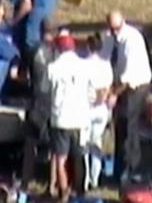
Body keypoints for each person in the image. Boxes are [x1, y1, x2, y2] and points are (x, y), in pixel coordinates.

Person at [103, 11, 152, 182]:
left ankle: (132, 168)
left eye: (117, 28)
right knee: (118, 126)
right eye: (111, 29)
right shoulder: (110, 38)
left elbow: (128, 75)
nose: (114, 32)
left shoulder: (132, 39)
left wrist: (113, 94)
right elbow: (105, 61)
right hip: (119, 84)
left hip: (135, 85)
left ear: (123, 23)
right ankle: (118, 167)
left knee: (129, 124)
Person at [48, 31, 90, 202]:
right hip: (79, 117)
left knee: (60, 157)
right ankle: (80, 190)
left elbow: (48, 89)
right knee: (78, 155)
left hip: (61, 117)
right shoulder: (84, 66)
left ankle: (64, 191)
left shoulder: (53, 68)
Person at [20, 23, 56, 193]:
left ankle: (25, 182)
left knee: (30, 144)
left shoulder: (33, 51)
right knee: (54, 147)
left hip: (36, 101)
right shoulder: (59, 52)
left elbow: (22, 75)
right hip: (53, 102)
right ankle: (51, 183)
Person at [80, 33, 113, 190]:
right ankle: (96, 178)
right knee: (96, 143)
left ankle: (84, 178)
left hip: (86, 107)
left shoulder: (83, 64)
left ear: (88, 47)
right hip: (102, 108)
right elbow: (108, 87)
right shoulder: (106, 65)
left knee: (84, 144)